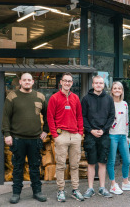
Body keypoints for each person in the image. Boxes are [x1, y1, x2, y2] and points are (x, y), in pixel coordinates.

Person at [2, 73, 48, 204]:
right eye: (24, 80)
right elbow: (5, 117)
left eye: (29, 80)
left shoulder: (40, 96)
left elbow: (47, 115)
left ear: (33, 82)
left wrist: (45, 130)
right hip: (17, 139)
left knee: (35, 167)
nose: (27, 82)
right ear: (20, 82)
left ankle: (37, 192)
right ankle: (16, 193)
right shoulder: (12, 96)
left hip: (35, 139)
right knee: (17, 167)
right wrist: (7, 134)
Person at [47, 73, 85, 202]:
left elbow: (79, 116)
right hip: (61, 135)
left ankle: (75, 189)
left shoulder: (75, 98)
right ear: (61, 82)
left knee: (75, 165)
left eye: (69, 81)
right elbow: (50, 118)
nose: (67, 83)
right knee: (61, 165)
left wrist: (80, 133)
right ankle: (61, 190)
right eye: (65, 81)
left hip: (75, 136)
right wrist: (55, 136)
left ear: (72, 83)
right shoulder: (54, 98)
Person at [81, 75, 115, 199]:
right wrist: (91, 130)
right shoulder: (85, 99)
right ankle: (90, 188)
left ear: (103, 84)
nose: (99, 85)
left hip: (104, 135)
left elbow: (112, 116)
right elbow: (83, 116)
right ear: (93, 84)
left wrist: (103, 129)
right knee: (91, 162)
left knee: (102, 162)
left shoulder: (109, 99)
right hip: (90, 135)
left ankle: (102, 188)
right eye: (96, 83)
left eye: (101, 83)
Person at [107, 81, 130, 195]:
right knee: (111, 161)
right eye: (114, 88)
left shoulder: (125, 104)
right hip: (112, 135)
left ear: (122, 91)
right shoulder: (109, 103)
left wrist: (126, 136)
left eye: (119, 88)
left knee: (127, 160)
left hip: (122, 136)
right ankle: (113, 185)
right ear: (111, 90)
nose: (117, 90)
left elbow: (126, 121)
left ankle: (125, 182)